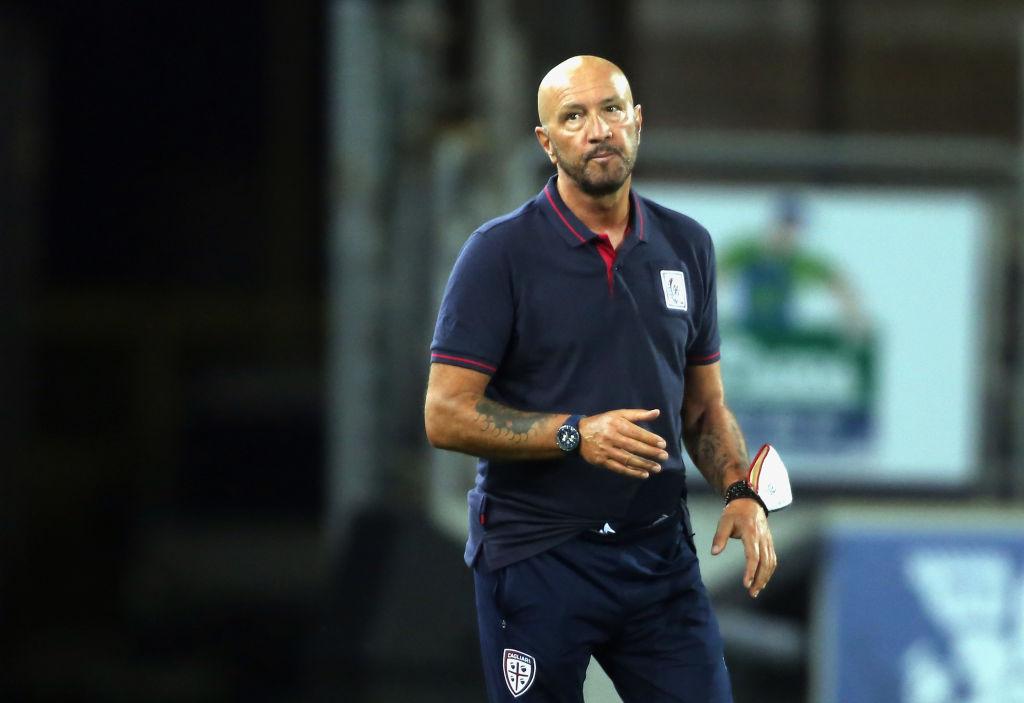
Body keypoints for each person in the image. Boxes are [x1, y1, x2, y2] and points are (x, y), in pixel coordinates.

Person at [424, 55, 776, 703]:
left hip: (658, 556)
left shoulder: (686, 245)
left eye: (611, 109)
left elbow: (703, 409)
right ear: (547, 141)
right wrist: (573, 434)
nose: (597, 130)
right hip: (537, 555)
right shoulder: (499, 254)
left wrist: (739, 488)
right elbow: (446, 413)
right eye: (574, 116)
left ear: (638, 122)